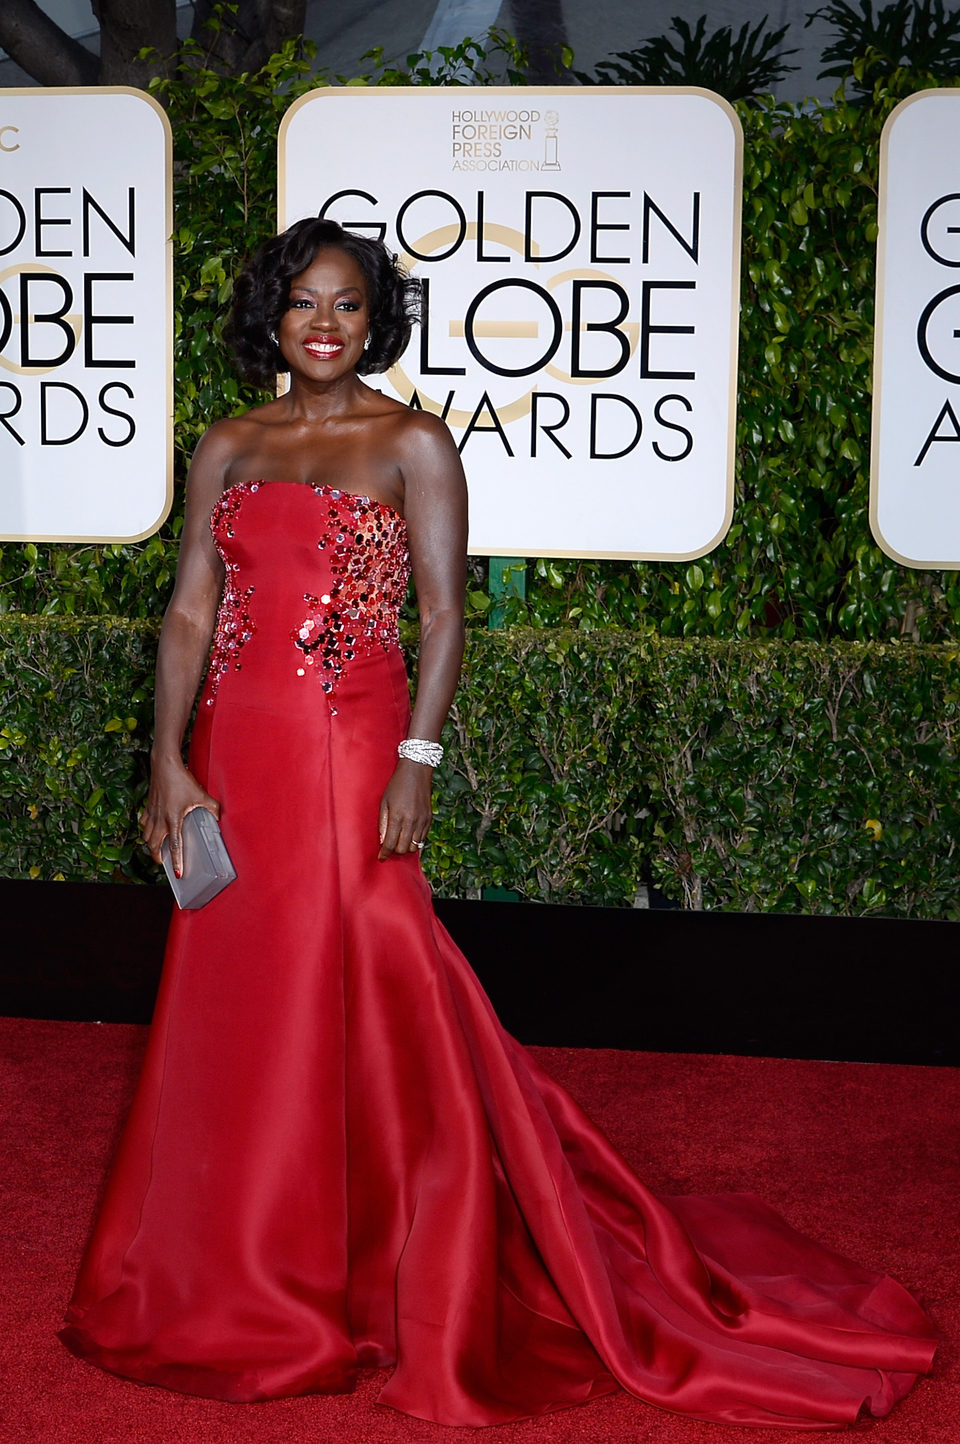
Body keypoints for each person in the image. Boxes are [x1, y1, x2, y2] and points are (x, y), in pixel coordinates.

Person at [60, 218, 936, 1429]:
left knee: (384, 974)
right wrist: (165, 762)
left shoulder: (413, 440)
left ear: (378, 319)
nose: (326, 324)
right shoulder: (226, 444)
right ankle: (249, 1263)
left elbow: (443, 616)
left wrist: (418, 757)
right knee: (245, 993)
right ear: (271, 315)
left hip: (354, 746)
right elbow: (188, 617)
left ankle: (405, 1259)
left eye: (350, 304)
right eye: (305, 302)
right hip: (234, 757)